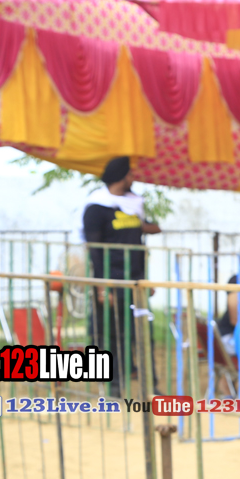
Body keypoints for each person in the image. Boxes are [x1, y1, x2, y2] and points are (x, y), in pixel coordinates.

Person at [82, 156, 161, 396]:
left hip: (135, 281)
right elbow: (95, 251)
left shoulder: (134, 203)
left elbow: (142, 241)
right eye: (130, 174)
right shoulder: (96, 206)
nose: (133, 178)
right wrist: (101, 287)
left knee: (143, 333)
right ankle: (114, 386)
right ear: (121, 176)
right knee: (111, 334)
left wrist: (145, 280)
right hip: (110, 280)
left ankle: (150, 386)